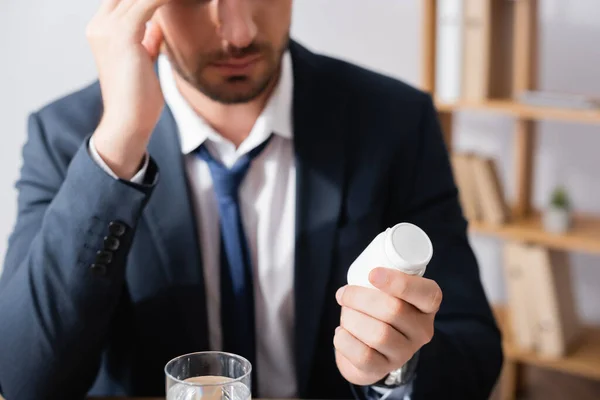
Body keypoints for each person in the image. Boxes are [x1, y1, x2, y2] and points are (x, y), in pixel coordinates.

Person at [0, 0, 503, 399]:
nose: (238, 32)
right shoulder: (69, 138)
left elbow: (474, 351)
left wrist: (397, 368)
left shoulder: (396, 120)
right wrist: (120, 144)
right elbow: (25, 380)